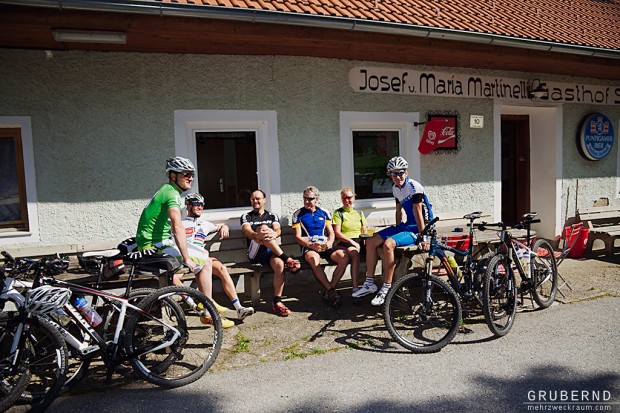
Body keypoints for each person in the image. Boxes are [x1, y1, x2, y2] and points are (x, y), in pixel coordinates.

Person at [135, 157, 219, 326]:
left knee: (203, 255)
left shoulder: (166, 190)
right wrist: (186, 259)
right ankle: (209, 310)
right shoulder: (171, 194)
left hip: (155, 244)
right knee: (206, 262)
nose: (191, 178)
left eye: (192, 175)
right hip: (154, 248)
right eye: (186, 174)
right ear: (173, 176)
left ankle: (205, 306)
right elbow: (177, 226)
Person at [354, 156, 433, 306]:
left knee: (388, 244)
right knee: (370, 242)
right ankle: (369, 283)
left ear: (406, 172)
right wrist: (398, 229)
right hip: (407, 224)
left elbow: (418, 213)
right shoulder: (396, 189)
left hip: (421, 226)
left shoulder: (414, 187)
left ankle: (387, 287)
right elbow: (399, 211)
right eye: (394, 174)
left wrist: (424, 237)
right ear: (390, 175)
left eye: (401, 173)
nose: (398, 177)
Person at [182, 193, 254, 326]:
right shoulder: (180, 224)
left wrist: (224, 227)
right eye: (196, 204)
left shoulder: (204, 224)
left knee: (222, 268)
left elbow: (219, 226)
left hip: (202, 258)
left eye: (202, 205)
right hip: (187, 259)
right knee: (206, 263)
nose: (200, 207)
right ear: (188, 206)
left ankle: (239, 308)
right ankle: (206, 308)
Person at [240, 190, 301, 317]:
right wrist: (258, 235)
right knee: (263, 229)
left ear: (264, 200)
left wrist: (273, 233)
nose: (255, 201)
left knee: (279, 264)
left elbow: (278, 229)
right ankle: (287, 258)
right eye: (252, 199)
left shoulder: (272, 216)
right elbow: (247, 231)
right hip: (254, 253)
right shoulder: (246, 216)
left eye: (258, 199)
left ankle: (277, 301)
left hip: (270, 253)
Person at [292, 186, 350, 307]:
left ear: (317, 199)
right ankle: (331, 291)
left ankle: (329, 290)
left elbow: (331, 233)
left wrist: (330, 242)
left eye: (310, 199)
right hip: (309, 246)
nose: (307, 201)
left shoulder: (324, 212)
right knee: (314, 260)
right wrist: (310, 245)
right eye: (305, 198)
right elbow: (297, 237)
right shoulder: (298, 214)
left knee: (344, 257)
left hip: (324, 245)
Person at [332, 187, 367, 296]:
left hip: (359, 241)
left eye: (349, 197)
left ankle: (375, 284)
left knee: (378, 251)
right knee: (355, 254)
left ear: (354, 198)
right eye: (344, 198)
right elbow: (337, 233)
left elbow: (364, 230)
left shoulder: (359, 212)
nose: (347, 200)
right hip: (346, 242)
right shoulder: (338, 213)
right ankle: (356, 288)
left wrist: (366, 242)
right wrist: (353, 243)